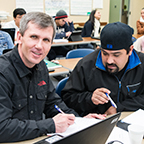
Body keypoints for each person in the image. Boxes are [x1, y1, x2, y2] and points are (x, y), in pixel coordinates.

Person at [0, 12, 105, 142]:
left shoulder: (41, 66)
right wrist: (51, 125)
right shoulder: (3, 72)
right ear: (19, 37)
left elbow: (53, 104)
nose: (39, 46)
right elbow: (2, 128)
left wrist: (79, 121)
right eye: (33, 37)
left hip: (36, 138)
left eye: (46, 40)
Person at [61, 22, 144, 117]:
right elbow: (67, 98)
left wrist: (119, 107)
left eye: (116, 55)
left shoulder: (142, 63)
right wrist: (90, 98)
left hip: (133, 120)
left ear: (130, 50)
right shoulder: (86, 65)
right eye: (104, 53)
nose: (109, 61)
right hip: (97, 122)